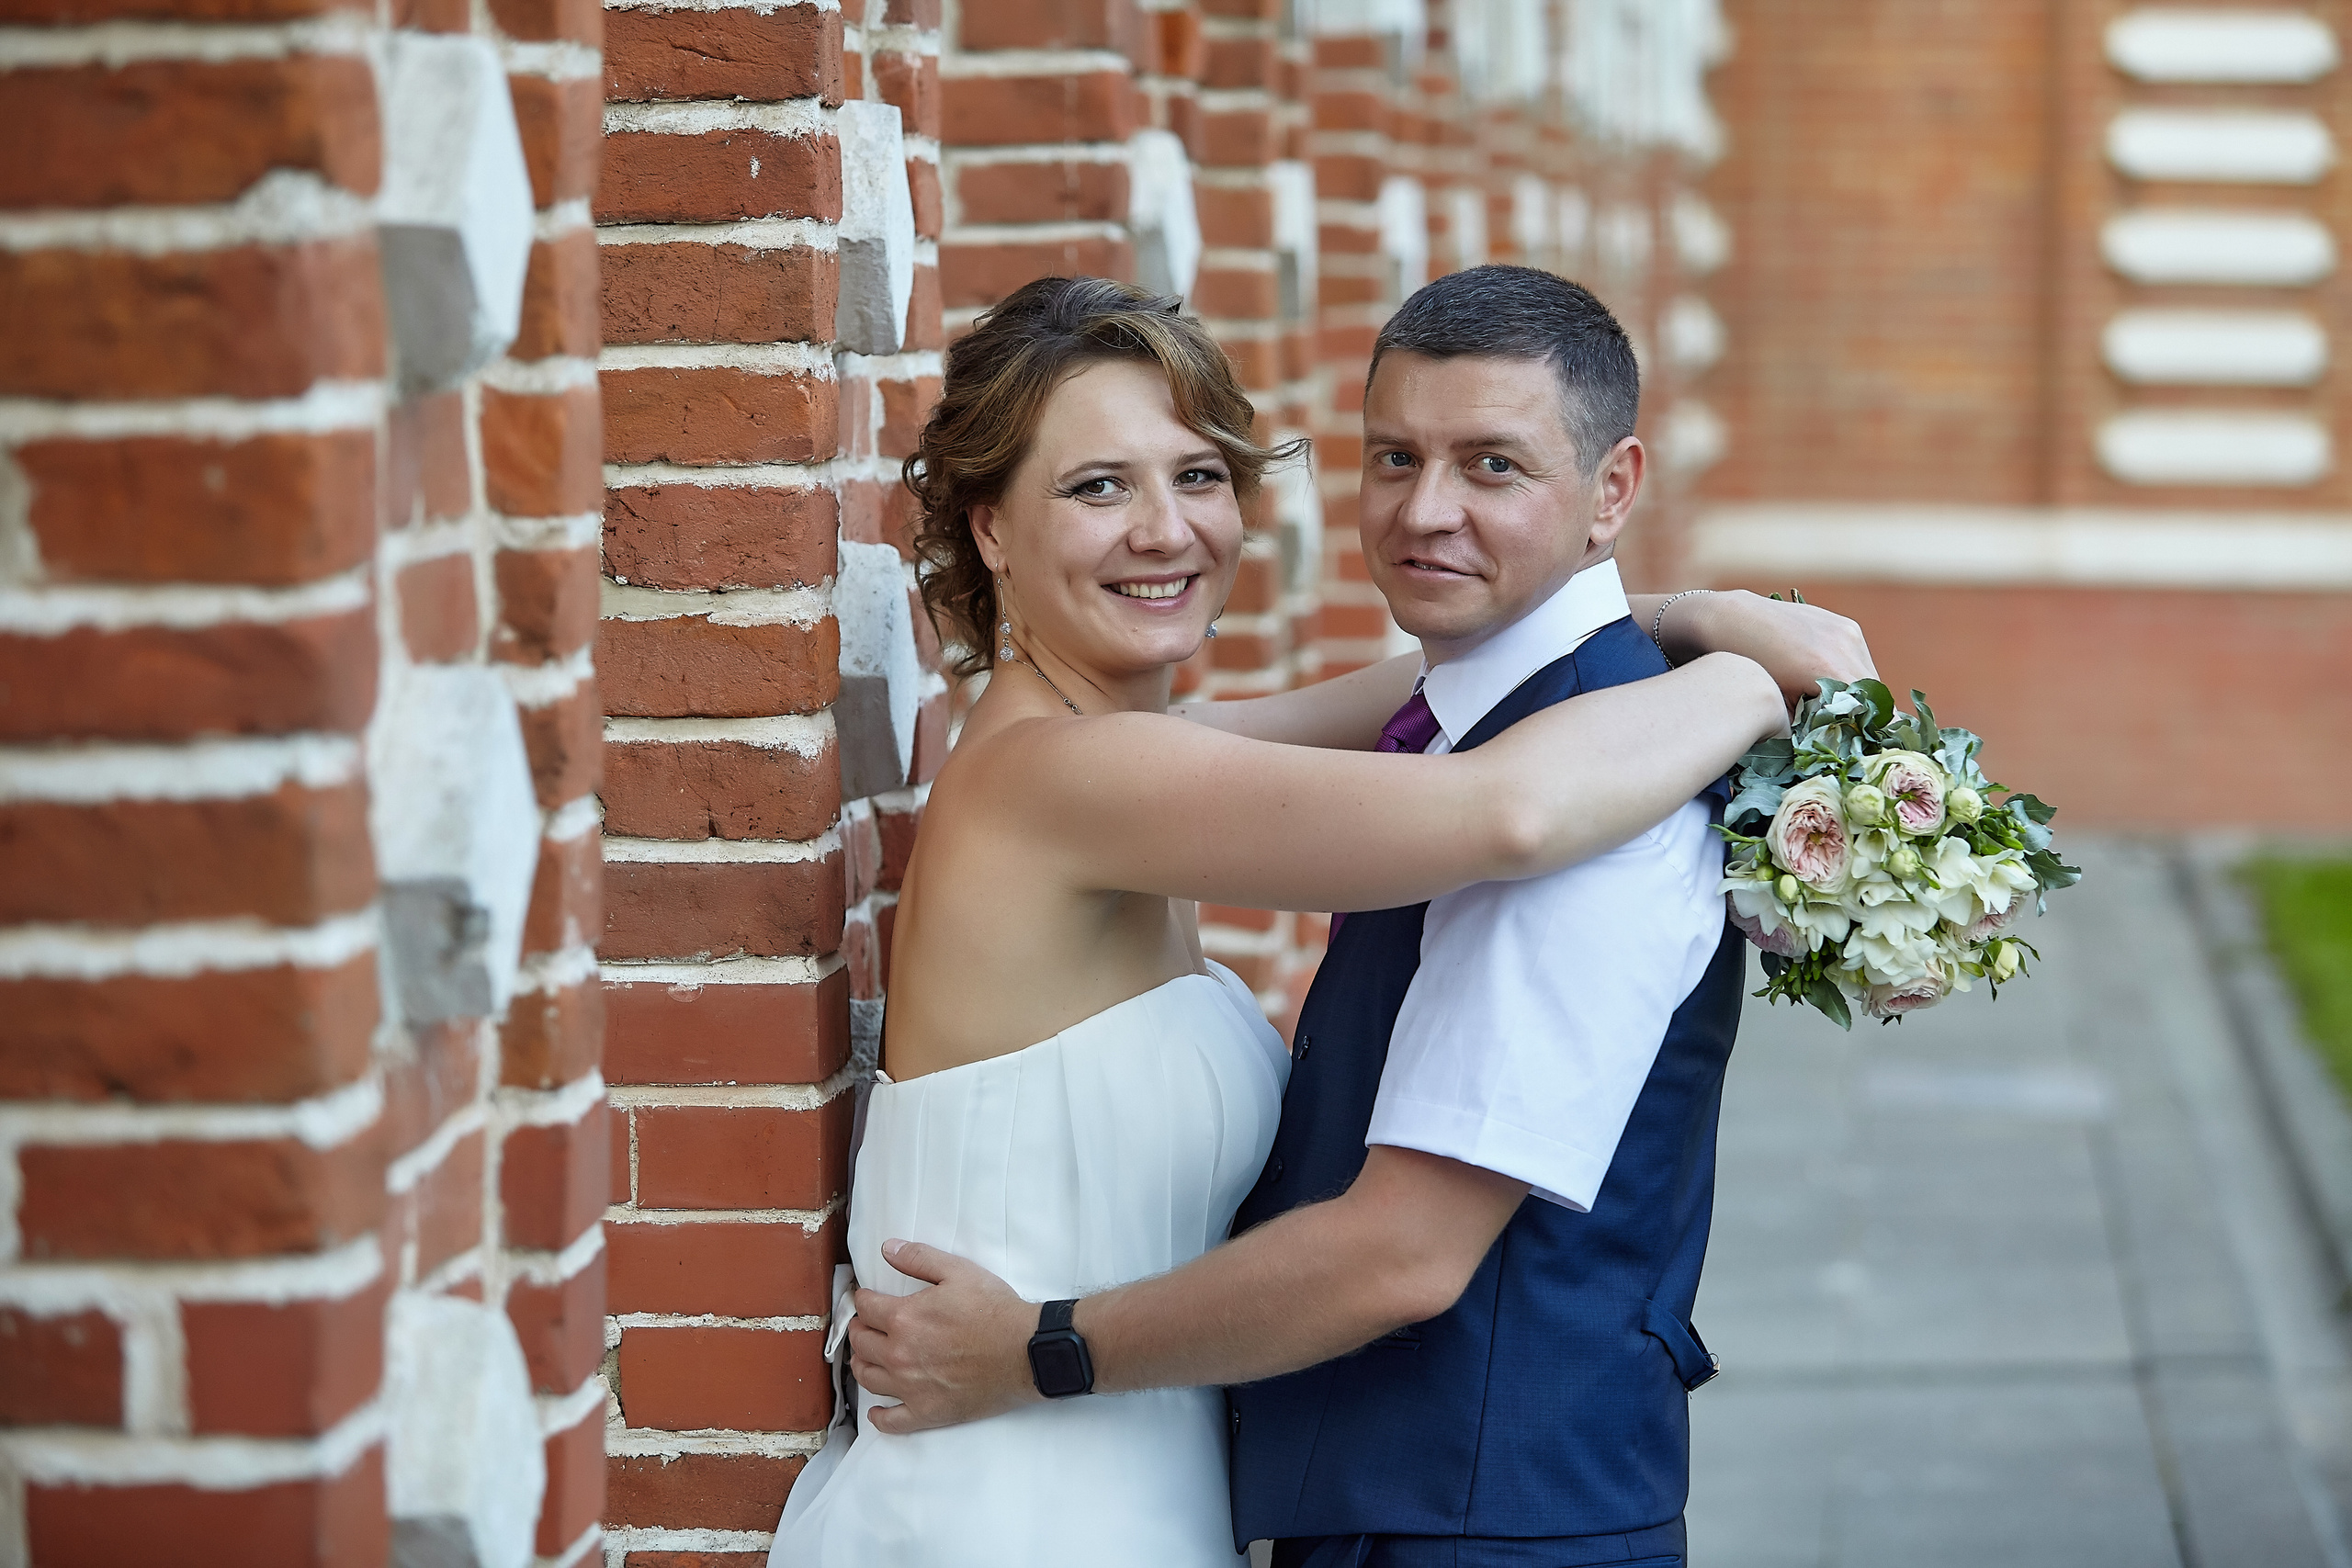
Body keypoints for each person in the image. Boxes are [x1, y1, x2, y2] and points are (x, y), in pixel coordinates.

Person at [772, 272, 1870, 1567]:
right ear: (993, 530)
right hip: (1011, 1482)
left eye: (1197, 476)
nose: (1165, 532)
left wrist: (1669, 615)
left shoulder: (1121, 749)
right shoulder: (1066, 779)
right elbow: (1504, 808)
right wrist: (1752, 678)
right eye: (1097, 487)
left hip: (1121, 1461)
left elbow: (1465, 672)